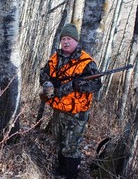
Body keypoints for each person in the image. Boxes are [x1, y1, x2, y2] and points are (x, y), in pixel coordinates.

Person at [39, 23, 102, 179]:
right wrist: (47, 84)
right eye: (63, 39)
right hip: (58, 110)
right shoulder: (55, 58)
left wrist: (77, 85)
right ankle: (60, 171)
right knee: (59, 142)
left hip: (76, 112)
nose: (66, 42)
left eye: (69, 39)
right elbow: (43, 74)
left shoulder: (86, 62)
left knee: (72, 147)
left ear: (76, 41)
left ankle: (71, 175)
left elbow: (96, 84)